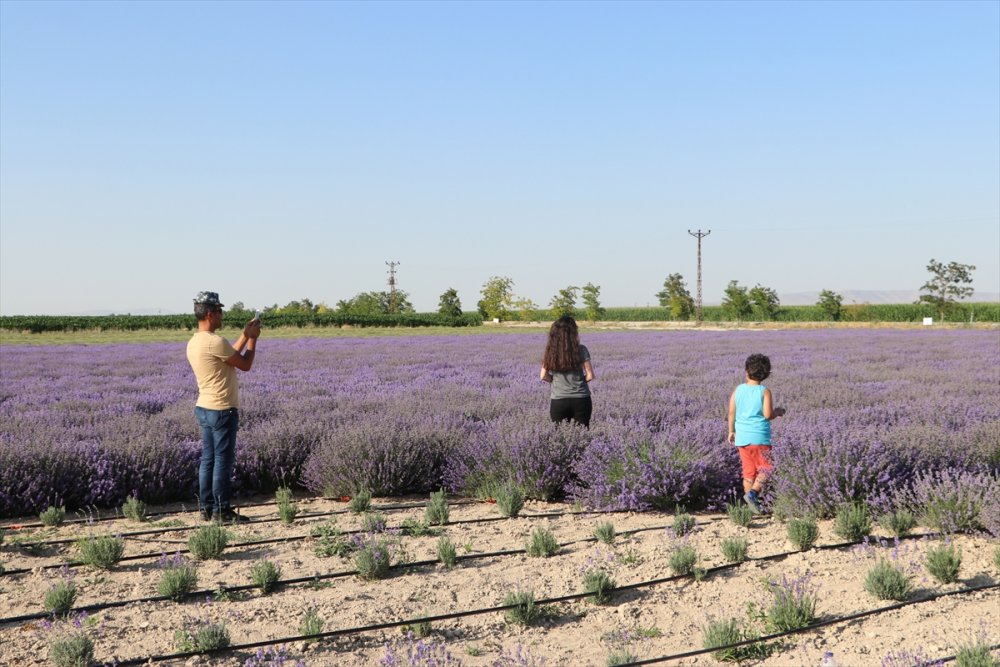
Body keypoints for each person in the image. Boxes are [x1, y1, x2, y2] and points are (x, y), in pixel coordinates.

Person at [186, 291, 261, 524]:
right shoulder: (215, 341)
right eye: (219, 311)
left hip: (204, 407)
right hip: (222, 409)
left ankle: (206, 508)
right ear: (210, 314)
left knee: (208, 459)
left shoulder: (195, 341)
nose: (222, 314)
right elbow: (244, 364)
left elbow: (228, 355)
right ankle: (221, 511)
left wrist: (244, 334)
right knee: (222, 461)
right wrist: (253, 339)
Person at [727, 353, 785, 514]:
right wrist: (778, 412)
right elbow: (767, 415)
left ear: (746, 371)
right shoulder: (764, 391)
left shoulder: (738, 389)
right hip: (759, 438)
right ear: (766, 375)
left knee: (748, 472)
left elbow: (731, 412)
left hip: (742, 438)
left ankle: (750, 507)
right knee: (767, 468)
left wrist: (731, 431)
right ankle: (753, 494)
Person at [540, 316, 595, 427]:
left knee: (560, 434)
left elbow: (543, 376)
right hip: (581, 399)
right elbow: (590, 376)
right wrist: (579, 382)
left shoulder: (551, 351)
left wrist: (555, 381)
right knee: (583, 433)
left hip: (559, 400)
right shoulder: (581, 349)